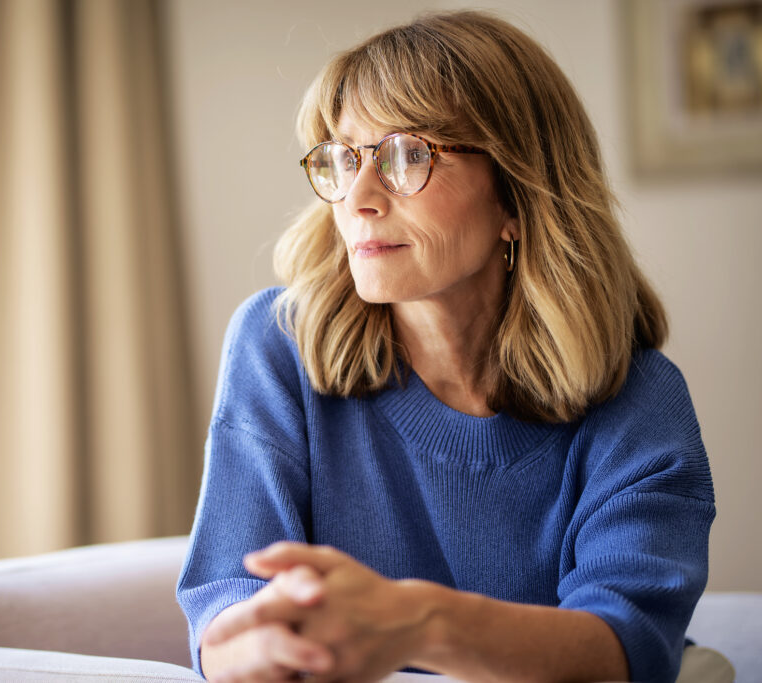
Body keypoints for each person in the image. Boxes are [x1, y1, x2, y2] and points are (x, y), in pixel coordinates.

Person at [176, 10, 716, 683]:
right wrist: (263, 648)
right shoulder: (276, 345)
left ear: (516, 198)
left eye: (408, 154)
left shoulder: (640, 398)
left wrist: (419, 621)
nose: (358, 197)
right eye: (344, 157)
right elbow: (227, 618)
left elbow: (623, 651)